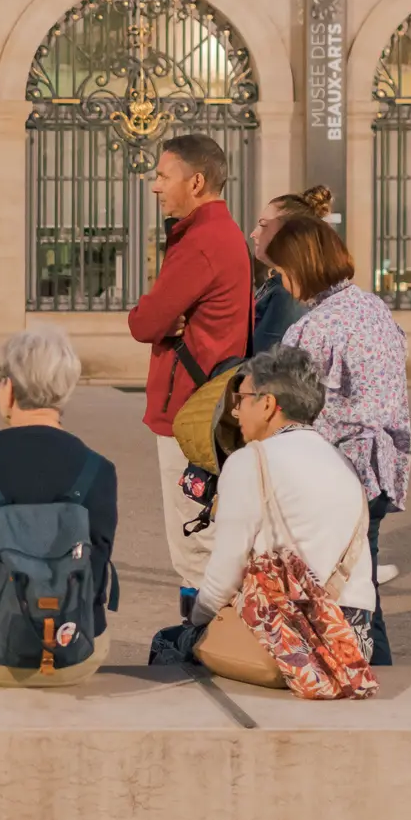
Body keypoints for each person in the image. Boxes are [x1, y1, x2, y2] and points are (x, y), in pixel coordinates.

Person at [0, 326, 118, 687]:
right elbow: (96, 567)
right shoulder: (99, 471)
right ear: (66, 389)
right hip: (76, 649)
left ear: (10, 389)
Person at [264, 215, 411, 667]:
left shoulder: (314, 328)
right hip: (380, 468)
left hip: (336, 473)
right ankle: (379, 682)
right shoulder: (373, 308)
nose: (280, 281)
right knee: (362, 591)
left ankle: (354, 680)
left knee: (334, 598)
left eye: (282, 271)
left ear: (301, 268)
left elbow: (280, 409)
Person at [126, 134, 253, 621]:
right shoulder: (221, 234)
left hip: (188, 412)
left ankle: (202, 642)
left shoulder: (199, 243)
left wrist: (153, 316)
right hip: (209, 405)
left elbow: (145, 322)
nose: (155, 186)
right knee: (206, 529)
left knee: (194, 540)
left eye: (163, 176)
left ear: (195, 181)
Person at [186, 346, 377, 660]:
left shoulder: (251, 461)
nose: (235, 412)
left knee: (170, 646)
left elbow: (225, 572)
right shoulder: (342, 461)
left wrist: (197, 623)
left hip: (292, 642)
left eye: (242, 399)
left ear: (268, 405)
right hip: (353, 643)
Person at [248, 186, 334, 355]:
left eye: (263, 226)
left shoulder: (287, 293)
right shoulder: (277, 284)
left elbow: (264, 363)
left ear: (289, 234)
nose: (254, 234)